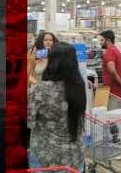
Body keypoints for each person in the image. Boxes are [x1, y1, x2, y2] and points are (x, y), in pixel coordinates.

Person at [28, 42, 86, 172]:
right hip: (75, 155)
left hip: (46, 157)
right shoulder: (79, 86)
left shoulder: (39, 90)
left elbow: (28, 121)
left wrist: (29, 68)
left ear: (52, 62)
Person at [99, 30, 121, 98]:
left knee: (112, 108)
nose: (100, 43)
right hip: (119, 91)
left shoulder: (109, 52)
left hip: (112, 92)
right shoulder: (117, 51)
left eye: (102, 40)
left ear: (108, 40)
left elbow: (112, 70)